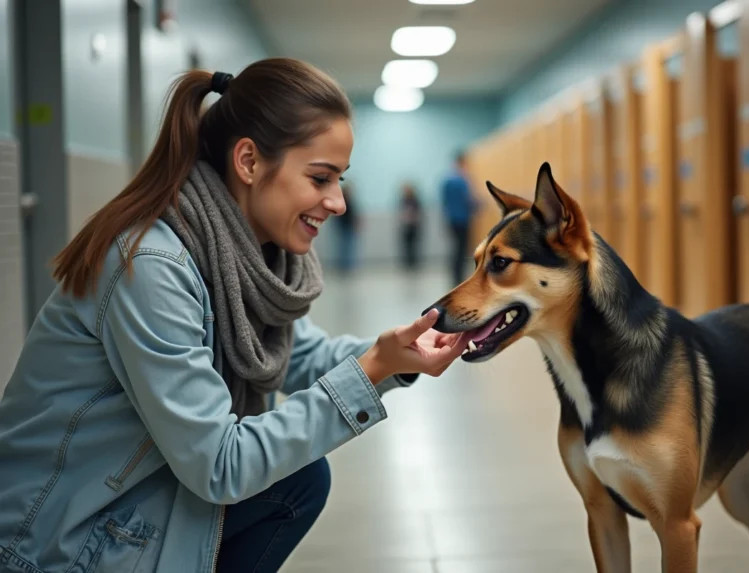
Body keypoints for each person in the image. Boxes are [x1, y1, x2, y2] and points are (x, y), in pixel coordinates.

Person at [0, 59, 467, 573]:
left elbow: (295, 351)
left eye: (340, 180)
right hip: (54, 547)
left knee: (299, 482)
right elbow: (220, 466)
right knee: (290, 482)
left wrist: (396, 358)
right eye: (320, 178)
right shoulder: (152, 266)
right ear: (248, 161)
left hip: (128, 508)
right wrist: (371, 368)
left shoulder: (237, 253)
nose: (336, 202)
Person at [440, 151, 478, 286]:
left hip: (451, 219)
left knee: (455, 248)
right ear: (462, 162)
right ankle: (459, 277)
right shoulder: (463, 179)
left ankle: (454, 277)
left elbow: (444, 202)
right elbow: (470, 200)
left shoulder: (446, 180)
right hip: (463, 219)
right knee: (462, 249)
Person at [333, 182, 360, 273]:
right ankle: (344, 266)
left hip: (349, 227)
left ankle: (349, 266)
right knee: (344, 247)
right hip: (344, 226)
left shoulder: (351, 201)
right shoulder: (342, 201)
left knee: (349, 247)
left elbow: (354, 215)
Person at [398, 182, 423, 271]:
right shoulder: (403, 200)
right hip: (406, 225)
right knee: (406, 245)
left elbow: (419, 213)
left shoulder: (415, 200)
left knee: (414, 245)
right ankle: (407, 262)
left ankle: (414, 262)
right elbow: (401, 212)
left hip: (414, 225)